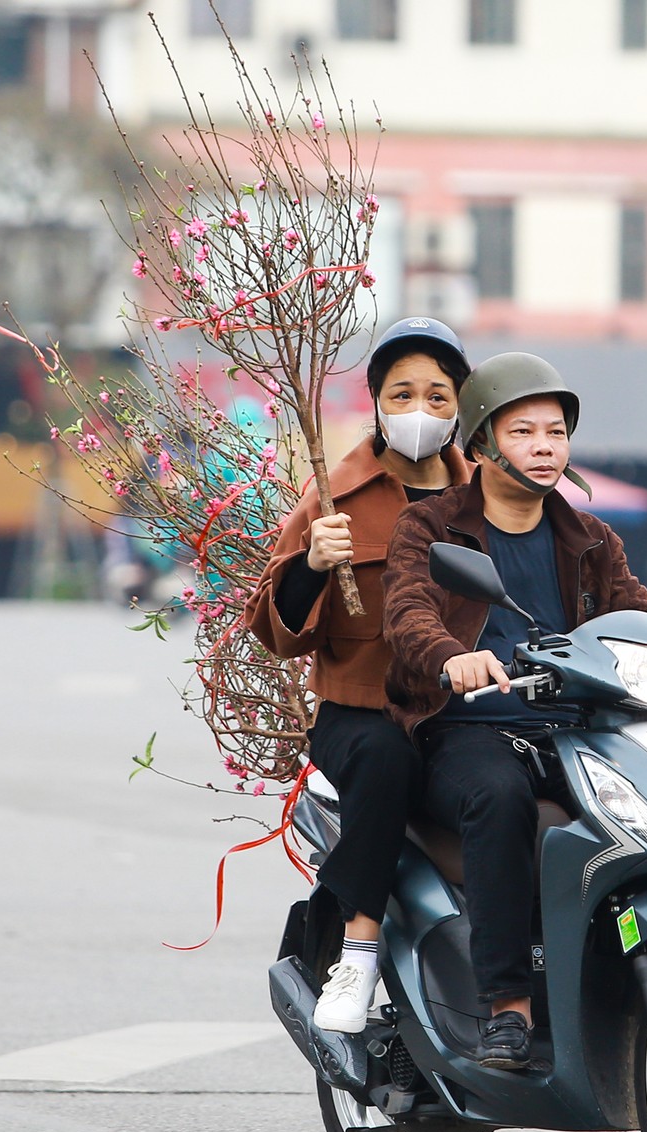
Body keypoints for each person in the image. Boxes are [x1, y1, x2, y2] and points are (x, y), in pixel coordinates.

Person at [381, 353, 647, 1070]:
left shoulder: (589, 538)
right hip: (467, 729)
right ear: (484, 442)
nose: (545, 445)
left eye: (556, 432)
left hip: (574, 730)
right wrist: (448, 655)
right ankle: (507, 1004)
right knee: (501, 798)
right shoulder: (430, 528)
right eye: (523, 431)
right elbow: (406, 614)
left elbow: (639, 608)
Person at [244, 317, 474, 1034]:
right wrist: (312, 564)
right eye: (403, 393)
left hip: (463, 712)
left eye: (438, 396)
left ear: (460, 406)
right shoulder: (335, 494)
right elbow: (273, 627)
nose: (420, 410)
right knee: (385, 757)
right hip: (360, 711)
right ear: (375, 403)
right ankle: (355, 948)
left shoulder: (487, 498)